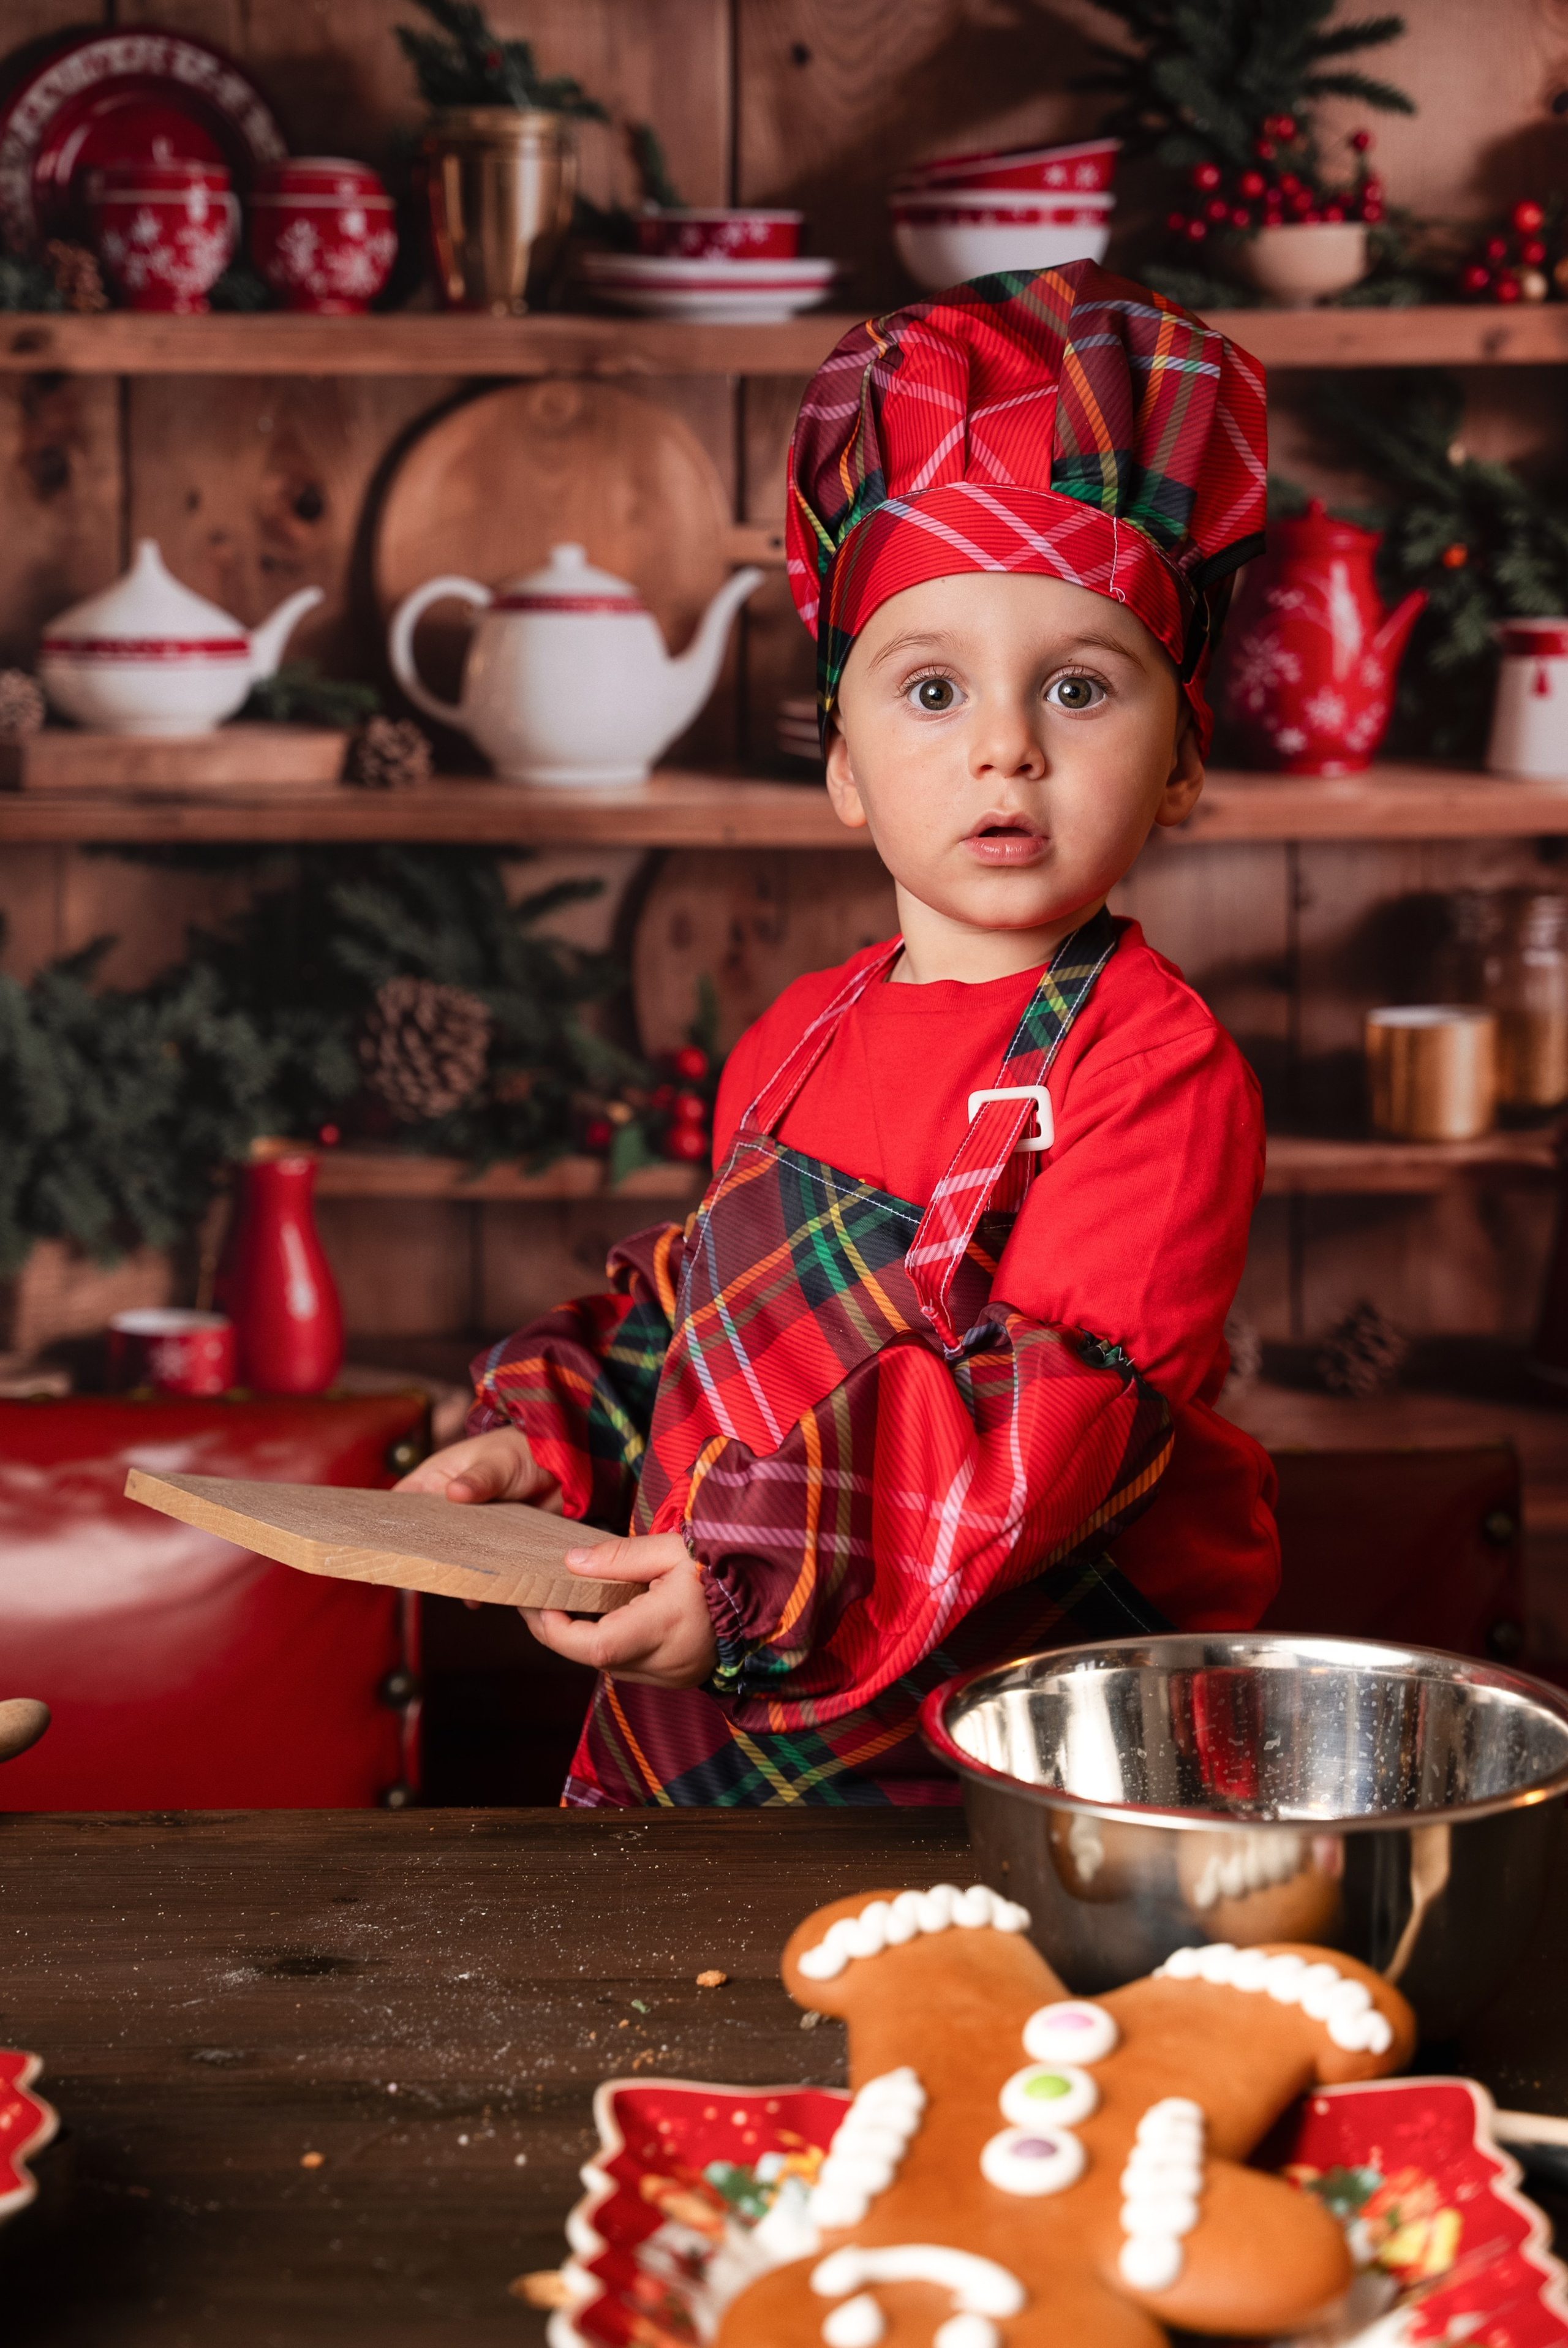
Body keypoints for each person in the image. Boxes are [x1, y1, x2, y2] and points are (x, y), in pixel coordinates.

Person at [399, 260, 1279, 1806]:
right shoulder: (798, 1033)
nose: (1003, 743)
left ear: (1182, 762)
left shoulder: (1151, 1065)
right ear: (848, 774)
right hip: (718, 1695)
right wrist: (553, 1446)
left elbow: (1046, 1431)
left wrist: (747, 1579)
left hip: (1003, 1744)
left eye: (1078, 688)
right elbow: (706, 1337)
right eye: (929, 690)